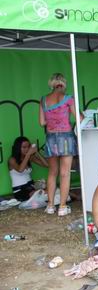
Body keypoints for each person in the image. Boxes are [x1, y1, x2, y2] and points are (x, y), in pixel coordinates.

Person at [39, 73, 79, 216]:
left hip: (51, 137)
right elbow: (79, 118)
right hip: (66, 137)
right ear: (63, 84)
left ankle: (50, 206)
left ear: (52, 84)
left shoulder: (43, 100)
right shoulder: (68, 98)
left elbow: (42, 122)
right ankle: (62, 207)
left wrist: (52, 120)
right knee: (65, 173)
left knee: (52, 172)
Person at [8, 137, 47, 201]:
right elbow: (20, 170)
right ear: (18, 148)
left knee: (49, 187)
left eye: (28, 147)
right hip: (20, 190)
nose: (27, 149)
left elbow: (46, 165)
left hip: (31, 186)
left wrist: (36, 152)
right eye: (24, 147)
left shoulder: (30, 157)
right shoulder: (12, 159)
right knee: (43, 194)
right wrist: (28, 154)